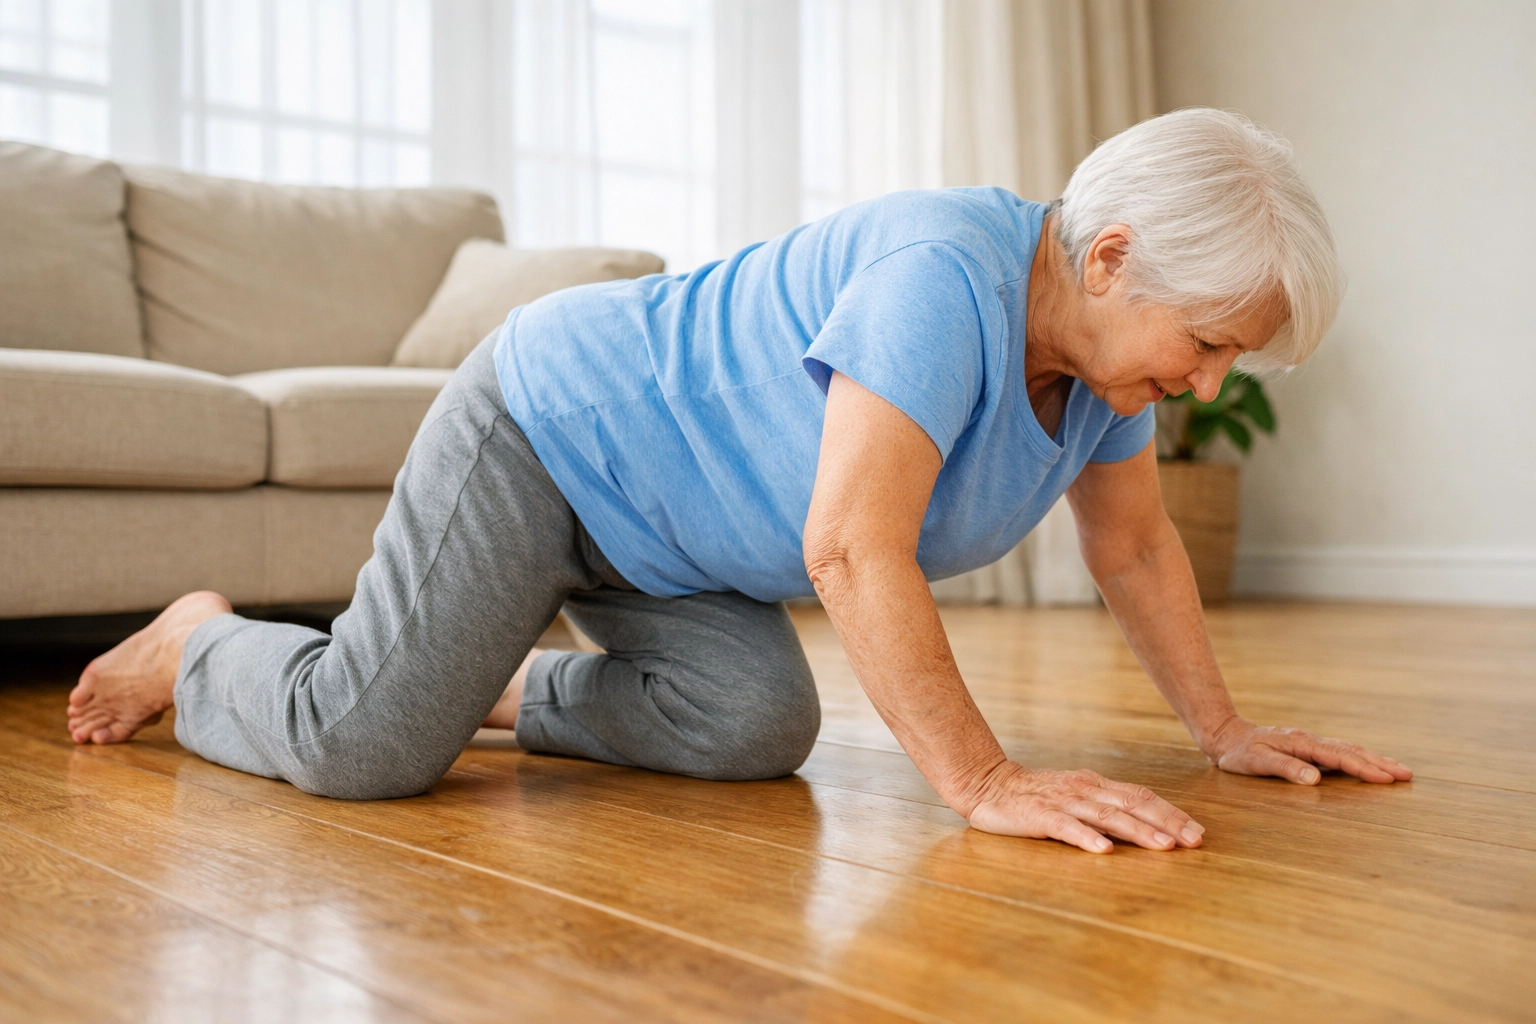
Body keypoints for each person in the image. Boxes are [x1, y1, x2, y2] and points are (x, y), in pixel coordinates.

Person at [66, 108, 1411, 855]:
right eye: (1208, 343)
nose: (1207, 384)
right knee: (362, 750)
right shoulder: (943, 277)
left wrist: (1223, 730)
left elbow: (1136, 549)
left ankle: (481, 677)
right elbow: (853, 550)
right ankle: (202, 646)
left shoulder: (1105, 378)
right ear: (1110, 259)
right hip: (553, 435)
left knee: (751, 727)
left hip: (671, 544)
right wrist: (984, 781)